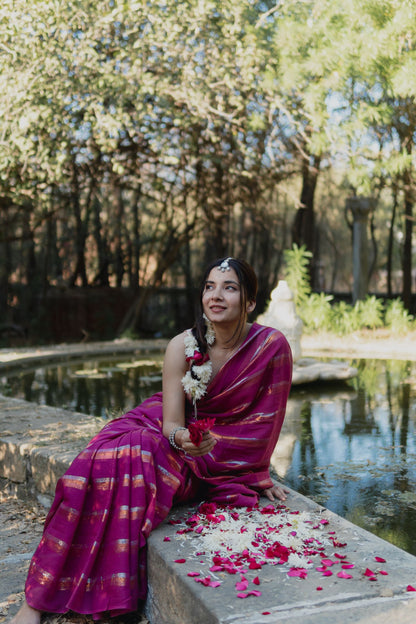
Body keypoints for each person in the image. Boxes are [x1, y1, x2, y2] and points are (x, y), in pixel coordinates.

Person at [10, 257, 293, 624]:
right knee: (99, 460)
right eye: (209, 286)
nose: (216, 295)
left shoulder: (271, 346)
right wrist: (184, 440)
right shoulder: (182, 346)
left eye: (230, 287)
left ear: (250, 303)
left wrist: (253, 470)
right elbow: (171, 423)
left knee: (138, 455)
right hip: (171, 432)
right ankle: (36, 599)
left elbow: (265, 423)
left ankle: (97, 594)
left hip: (215, 452)